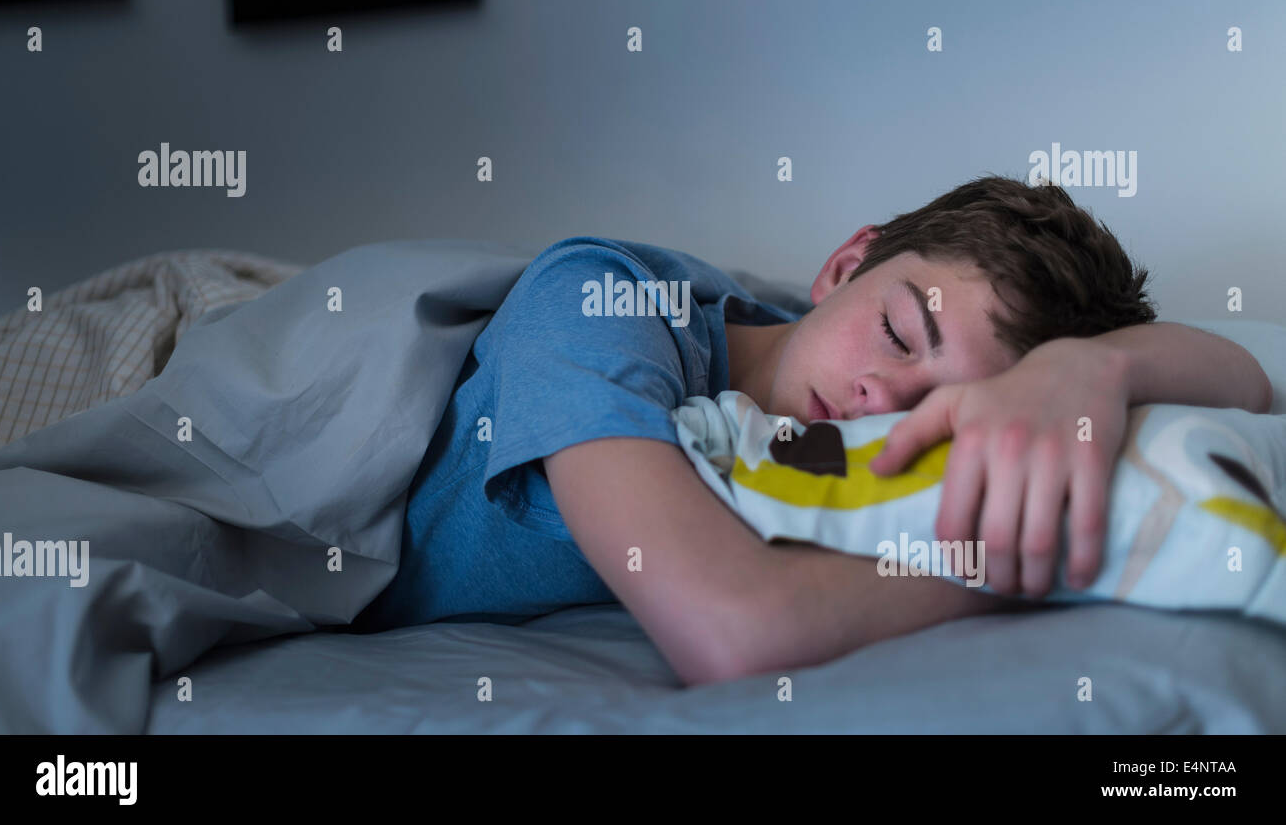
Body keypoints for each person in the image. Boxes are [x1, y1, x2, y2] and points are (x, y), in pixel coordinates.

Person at [352, 175, 1273, 685]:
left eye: (933, 410)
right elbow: (735, 633)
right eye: (901, 332)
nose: (881, 396)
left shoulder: (792, 417)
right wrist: (1026, 562)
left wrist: (1089, 371)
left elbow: (1256, 381)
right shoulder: (601, 310)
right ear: (843, 266)